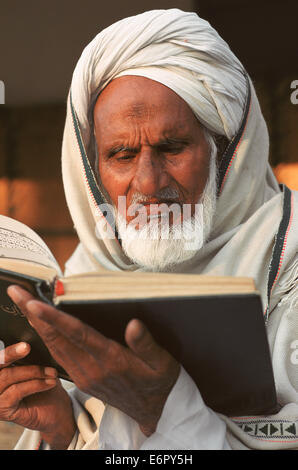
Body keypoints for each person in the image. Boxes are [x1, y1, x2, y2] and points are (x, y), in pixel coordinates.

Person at [1, 9, 297, 450]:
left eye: (172, 147)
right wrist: (62, 431)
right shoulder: (85, 273)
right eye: (121, 154)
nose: (148, 184)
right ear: (92, 169)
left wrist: (161, 406)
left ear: (225, 151)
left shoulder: (288, 270)